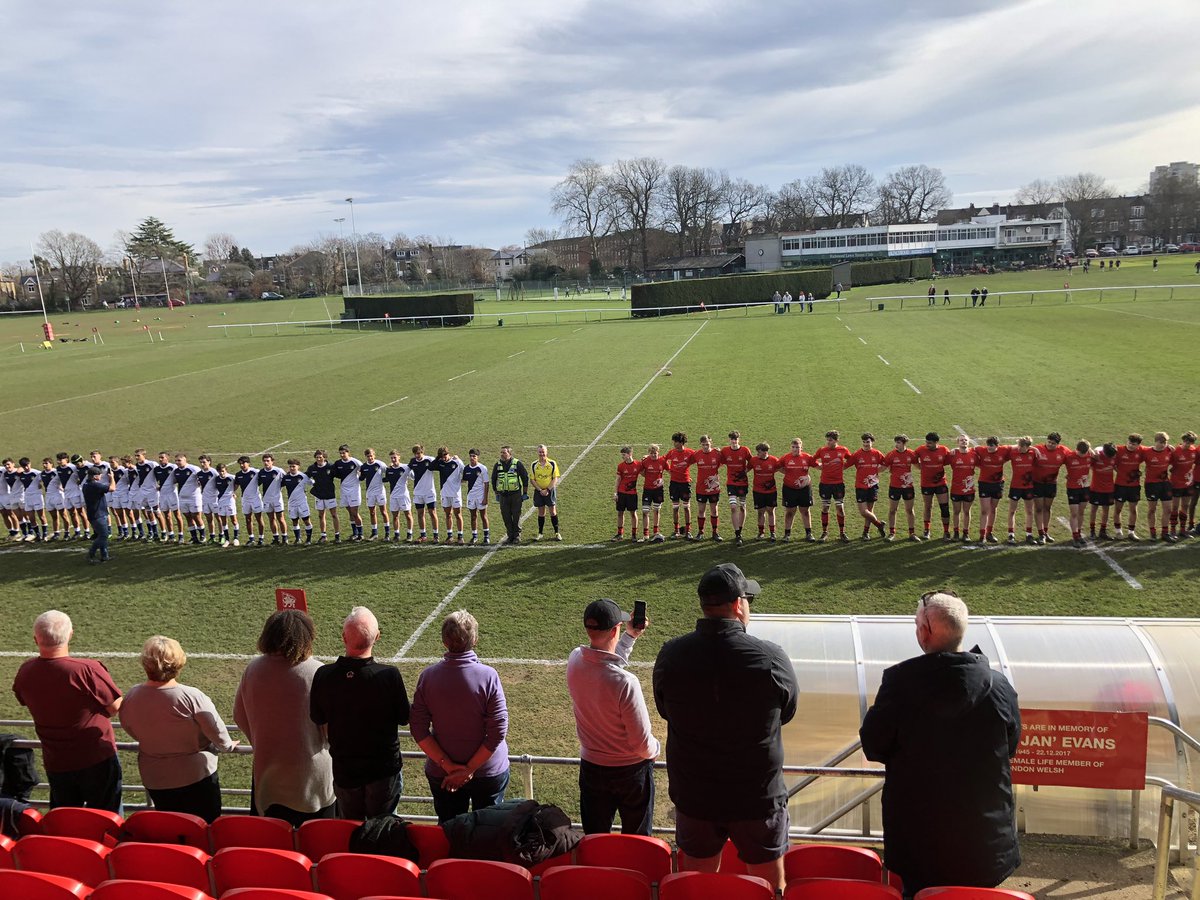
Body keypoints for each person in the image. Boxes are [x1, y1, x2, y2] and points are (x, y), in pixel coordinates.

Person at [860, 591, 1021, 898]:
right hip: (983, 841)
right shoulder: (999, 685)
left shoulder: (899, 684)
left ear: (925, 632)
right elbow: (1010, 746)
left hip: (920, 841)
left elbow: (874, 744)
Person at [654, 564, 797, 895]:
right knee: (768, 889)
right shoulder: (770, 657)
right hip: (756, 797)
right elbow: (786, 712)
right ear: (737, 604)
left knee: (699, 889)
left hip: (695, 795)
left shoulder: (671, 655)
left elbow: (665, 710)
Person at [119, 636, 239, 822]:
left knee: (172, 828)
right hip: (196, 777)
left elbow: (130, 727)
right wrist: (228, 745)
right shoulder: (191, 696)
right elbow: (218, 734)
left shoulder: (132, 695)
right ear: (178, 663)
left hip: (156, 778)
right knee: (204, 828)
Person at [12, 610, 123, 811]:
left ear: (35, 639)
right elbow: (115, 707)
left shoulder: (25, 671)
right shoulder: (87, 669)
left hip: (56, 761)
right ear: (70, 635)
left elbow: (24, 698)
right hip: (96, 757)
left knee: (64, 820)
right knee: (108, 819)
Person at [234, 610, 336, 825]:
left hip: (268, 779)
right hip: (312, 781)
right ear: (307, 637)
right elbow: (332, 730)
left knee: (275, 850)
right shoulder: (319, 672)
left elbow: (239, 715)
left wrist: (262, 742)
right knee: (316, 846)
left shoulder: (252, 669)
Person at [567, 598, 658, 835]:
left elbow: (604, 661)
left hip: (592, 769)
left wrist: (630, 637)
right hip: (631, 773)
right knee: (637, 844)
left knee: (595, 839)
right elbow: (642, 744)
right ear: (615, 629)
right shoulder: (626, 683)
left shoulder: (575, 659)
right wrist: (655, 750)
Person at [310, 607, 410, 820]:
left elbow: (318, 718)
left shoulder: (324, 675)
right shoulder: (389, 676)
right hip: (383, 771)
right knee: (382, 830)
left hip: (346, 770)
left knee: (351, 829)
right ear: (377, 637)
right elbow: (404, 717)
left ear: (343, 637)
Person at [410, 611, 510, 823]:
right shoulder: (489, 676)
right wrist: (468, 770)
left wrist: (448, 767)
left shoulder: (428, 677)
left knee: (450, 834)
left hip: (443, 775)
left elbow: (418, 729)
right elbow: (497, 732)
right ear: (475, 640)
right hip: (488, 773)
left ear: (444, 642)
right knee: (488, 834)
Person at [1031, 433, 1069, 544]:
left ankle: (1046, 532)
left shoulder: (1063, 451)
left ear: (1058, 444)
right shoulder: (1038, 449)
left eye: (1053, 443)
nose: (1050, 445)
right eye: (1049, 442)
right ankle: (1041, 534)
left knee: (1047, 507)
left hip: (1051, 484)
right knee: (1038, 508)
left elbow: (1073, 458)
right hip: (1037, 483)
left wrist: (1070, 473)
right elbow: (1025, 450)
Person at [814, 430, 852, 542]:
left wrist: (843, 467)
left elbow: (851, 459)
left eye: (830, 440)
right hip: (825, 484)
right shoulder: (822, 450)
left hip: (838, 484)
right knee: (825, 507)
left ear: (836, 440)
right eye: (827, 440)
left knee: (840, 508)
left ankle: (842, 533)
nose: (828, 442)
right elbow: (812, 460)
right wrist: (819, 466)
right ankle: (824, 532)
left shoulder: (843, 450)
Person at [849, 433, 887, 540]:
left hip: (873, 486)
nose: (866, 444)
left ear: (872, 442)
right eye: (864, 442)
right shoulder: (857, 454)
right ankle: (879, 524)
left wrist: (876, 471)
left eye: (868, 442)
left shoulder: (877, 454)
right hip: (860, 486)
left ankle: (866, 533)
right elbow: (846, 465)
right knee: (863, 512)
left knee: (870, 510)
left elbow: (885, 464)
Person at [915, 432, 952, 541]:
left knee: (944, 507)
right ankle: (927, 530)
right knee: (928, 506)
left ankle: (946, 532)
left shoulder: (944, 450)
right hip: (926, 484)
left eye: (930, 443)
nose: (927, 444)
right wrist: (921, 467)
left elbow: (948, 461)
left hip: (941, 483)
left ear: (936, 442)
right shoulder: (921, 449)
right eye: (926, 442)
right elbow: (913, 458)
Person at [882, 435, 919, 541]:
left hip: (908, 486)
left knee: (909, 510)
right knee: (893, 510)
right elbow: (883, 468)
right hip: (894, 486)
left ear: (904, 443)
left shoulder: (911, 454)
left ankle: (912, 533)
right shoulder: (891, 454)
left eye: (898, 443)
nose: (896, 445)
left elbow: (918, 466)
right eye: (896, 442)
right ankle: (891, 533)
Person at [779, 438, 816, 542]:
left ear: (801, 448)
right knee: (790, 512)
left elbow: (818, 466)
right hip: (789, 489)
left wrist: (807, 478)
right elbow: (776, 467)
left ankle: (809, 534)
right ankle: (787, 534)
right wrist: (787, 473)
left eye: (797, 447)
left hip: (804, 489)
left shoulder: (807, 457)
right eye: (793, 447)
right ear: (791, 448)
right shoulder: (786, 458)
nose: (795, 449)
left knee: (805, 511)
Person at [719, 431, 753, 544]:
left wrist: (746, 471)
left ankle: (741, 529)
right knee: (733, 507)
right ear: (729, 440)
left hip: (743, 483)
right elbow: (720, 461)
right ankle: (737, 533)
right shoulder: (725, 451)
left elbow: (752, 462)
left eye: (736, 439)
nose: (734, 441)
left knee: (742, 507)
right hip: (731, 483)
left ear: (739, 439)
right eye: (732, 439)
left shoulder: (745, 450)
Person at [491, 445, 529, 544]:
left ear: (509, 453)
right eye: (501, 452)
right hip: (503, 495)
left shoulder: (517, 463)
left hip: (515, 495)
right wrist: (496, 493)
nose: (502, 454)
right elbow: (493, 479)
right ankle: (510, 535)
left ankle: (517, 536)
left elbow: (525, 477)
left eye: (504, 452)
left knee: (516, 516)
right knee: (506, 516)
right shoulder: (497, 465)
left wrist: (524, 493)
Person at [975, 437, 1009, 543]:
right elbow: (972, 449)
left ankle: (989, 532)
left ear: (997, 446)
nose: (989, 447)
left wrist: (1033, 448)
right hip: (984, 484)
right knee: (985, 510)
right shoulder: (981, 450)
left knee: (993, 509)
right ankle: (982, 535)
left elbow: (1016, 447)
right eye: (988, 445)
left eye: (992, 445)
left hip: (998, 484)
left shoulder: (1003, 450)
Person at [664, 432, 696, 539]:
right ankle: (676, 530)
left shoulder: (690, 452)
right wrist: (669, 471)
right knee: (675, 508)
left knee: (686, 507)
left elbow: (700, 457)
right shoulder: (672, 453)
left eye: (676, 442)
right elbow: (663, 460)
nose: (674, 443)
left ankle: (688, 531)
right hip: (674, 484)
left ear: (681, 442)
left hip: (685, 483)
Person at [1006, 437, 1038, 544]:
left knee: (1029, 511)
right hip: (1015, 486)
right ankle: (1011, 534)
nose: (1019, 448)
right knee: (1012, 511)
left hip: (1029, 487)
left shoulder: (1033, 453)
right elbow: (1007, 448)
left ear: (1027, 447)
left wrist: (1034, 449)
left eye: (1021, 446)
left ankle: (1029, 534)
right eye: (1018, 445)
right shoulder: (1013, 453)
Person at [1142, 432, 1174, 542]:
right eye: (1161, 442)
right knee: (1152, 509)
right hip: (1151, 485)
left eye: (1165, 442)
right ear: (1155, 442)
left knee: (1168, 509)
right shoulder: (1147, 452)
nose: (1163, 444)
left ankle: (1165, 533)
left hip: (1165, 484)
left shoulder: (1169, 450)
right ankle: (1152, 532)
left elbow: (1174, 462)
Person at [1113, 433, 1145, 540]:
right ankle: (1118, 531)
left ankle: (1131, 532)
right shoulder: (1119, 450)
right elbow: (1113, 463)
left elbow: (1153, 449)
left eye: (1134, 444)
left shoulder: (1142, 451)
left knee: (1133, 509)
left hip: (1134, 486)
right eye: (1130, 443)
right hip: (1120, 485)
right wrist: (1121, 472)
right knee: (1118, 509)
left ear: (1139, 445)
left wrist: (1168, 446)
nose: (1131, 446)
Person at [82, 465, 115, 563]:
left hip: (94, 514)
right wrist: (112, 478)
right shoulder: (95, 485)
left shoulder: (86, 484)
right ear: (94, 476)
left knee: (102, 535)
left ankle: (105, 556)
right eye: (99, 475)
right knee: (103, 535)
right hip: (98, 515)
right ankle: (90, 554)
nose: (100, 476)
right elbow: (112, 488)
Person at [1064, 440, 1094, 547]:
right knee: (1074, 513)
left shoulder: (1090, 455)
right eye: (1081, 453)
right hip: (1073, 488)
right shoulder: (1069, 456)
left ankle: (1079, 533)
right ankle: (1075, 536)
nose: (1083, 455)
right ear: (1076, 449)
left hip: (1085, 487)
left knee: (1081, 511)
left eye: (1085, 453)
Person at [948, 435, 977, 542]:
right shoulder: (953, 454)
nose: (963, 441)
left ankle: (966, 533)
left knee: (967, 511)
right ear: (957, 442)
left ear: (968, 442)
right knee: (956, 511)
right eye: (961, 440)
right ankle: (956, 533)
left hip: (969, 489)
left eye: (965, 440)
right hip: (956, 488)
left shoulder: (974, 454)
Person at [693, 435, 722, 540]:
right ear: (700, 444)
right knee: (701, 510)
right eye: (703, 445)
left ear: (711, 443)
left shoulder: (717, 454)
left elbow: (727, 461)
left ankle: (715, 532)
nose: (705, 447)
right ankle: (700, 532)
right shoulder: (696, 454)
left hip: (714, 488)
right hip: (701, 487)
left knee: (714, 510)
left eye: (707, 444)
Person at [333, 445, 365, 541]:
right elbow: (335, 473)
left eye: (344, 453)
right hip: (344, 489)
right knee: (350, 512)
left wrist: (360, 477)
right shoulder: (338, 463)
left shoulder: (355, 462)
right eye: (340, 453)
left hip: (354, 490)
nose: (342, 455)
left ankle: (361, 534)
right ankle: (354, 533)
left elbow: (364, 468)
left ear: (348, 452)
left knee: (354, 512)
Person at [307, 450, 340, 543]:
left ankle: (337, 536)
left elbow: (339, 475)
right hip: (319, 495)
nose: (318, 459)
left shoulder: (330, 467)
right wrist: (311, 483)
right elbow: (305, 477)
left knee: (334, 515)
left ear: (324, 457)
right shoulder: (312, 468)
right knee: (321, 515)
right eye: (317, 457)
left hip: (330, 494)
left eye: (320, 457)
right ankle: (323, 536)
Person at [530, 444, 562, 541]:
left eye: (543, 451)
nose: (541, 453)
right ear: (537, 453)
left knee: (553, 511)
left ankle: (557, 532)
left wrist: (547, 490)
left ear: (546, 452)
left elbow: (555, 478)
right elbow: (532, 479)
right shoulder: (534, 464)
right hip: (539, 491)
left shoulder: (552, 463)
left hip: (550, 491)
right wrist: (540, 490)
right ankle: (540, 533)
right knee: (541, 512)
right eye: (540, 452)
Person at [1169, 432, 1197, 539]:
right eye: (1185, 441)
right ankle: (1172, 530)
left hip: (1188, 483)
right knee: (1175, 506)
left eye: (1189, 442)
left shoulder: (1194, 451)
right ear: (1183, 440)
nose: (1187, 444)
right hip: (1176, 483)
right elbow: (1168, 463)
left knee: (1185, 506)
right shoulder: (1176, 451)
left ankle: (1182, 530)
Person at [436, 447, 467, 544]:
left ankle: (460, 536)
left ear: (448, 454)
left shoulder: (457, 462)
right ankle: (450, 536)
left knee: (458, 514)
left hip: (455, 494)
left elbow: (465, 472)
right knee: (448, 514)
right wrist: (438, 458)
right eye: (442, 456)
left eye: (445, 455)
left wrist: (463, 480)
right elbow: (430, 466)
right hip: (445, 493)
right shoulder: (440, 463)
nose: (444, 458)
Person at [409, 444, 440, 543]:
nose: (417, 456)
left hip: (429, 492)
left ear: (422, 452)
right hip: (418, 492)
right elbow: (406, 469)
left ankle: (436, 535)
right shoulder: (413, 461)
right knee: (420, 513)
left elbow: (442, 462)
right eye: (415, 454)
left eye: (418, 453)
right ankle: (423, 535)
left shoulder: (429, 460)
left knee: (432, 513)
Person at [750, 442, 780, 541]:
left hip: (771, 491)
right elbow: (745, 469)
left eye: (759, 452)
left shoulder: (774, 460)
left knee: (771, 511)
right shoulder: (753, 460)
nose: (757, 454)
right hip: (758, 491)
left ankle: (772, 533)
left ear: (765, 452)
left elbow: (783, 469)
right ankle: (761, 532)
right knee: (760, 512)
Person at [639, 444, 668, 543]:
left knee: (656, 510)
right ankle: (646, 534)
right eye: (651, 453)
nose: (653, 455)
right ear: (648, 453)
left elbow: (670, 470)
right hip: (647, 490)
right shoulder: (645, 461)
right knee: (645, 511)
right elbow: (642, 472)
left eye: (655, 453)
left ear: (658, 452)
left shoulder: (663, 461)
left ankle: (656, 532)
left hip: (658, 490)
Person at [1089, 442, 1118, 540]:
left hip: (1109, 488)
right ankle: (1092, 531)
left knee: (1106, 510)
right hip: (1096, 487)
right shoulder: (1096, 456)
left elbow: (1117, 468)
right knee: (1094, 509)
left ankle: (1103, 531)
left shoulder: (1114, 456)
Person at [383, 450, 414, 542]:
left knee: (408, 515)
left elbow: (414, 477)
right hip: (393, 496)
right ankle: (397, 534)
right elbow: (386, 479)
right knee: (395, 516)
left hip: (404, 496)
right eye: (391, 458)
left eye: (394, 457)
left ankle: (409, 534)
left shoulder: (406, 468)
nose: (393, 459)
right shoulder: (389, 469)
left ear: (399, 457)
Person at [281, 460, 314, 544]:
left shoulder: (303, 476)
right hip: (291, 504)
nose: (292, 468)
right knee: (294, 521)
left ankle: (308, 540)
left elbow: (312, 483)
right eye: (290, 466)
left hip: (302, 503)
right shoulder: (286, 477)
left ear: (298, 466)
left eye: (294, 466)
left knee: (306, 520)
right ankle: (297, 539)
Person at [257, 453, 287, 545]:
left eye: (268, 461)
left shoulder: (279, 471)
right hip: (266, 499)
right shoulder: (261, 472)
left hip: (277, 499)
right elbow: (257, 484)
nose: (266, 463)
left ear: (272, 461)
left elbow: (286, 480)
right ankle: (275, 538)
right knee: (271, 518)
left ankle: (284, 538)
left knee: (280, 518)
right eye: (264, 461)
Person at [613, 446, 641, 543]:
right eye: (622, 455)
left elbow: (645, 474)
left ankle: (634, 534)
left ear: (630, 454)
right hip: (621, 493)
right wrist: (615, 493)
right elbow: (618, 480)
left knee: (633, 513)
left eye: (624, 455)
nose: (622, 457)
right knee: (620, 513)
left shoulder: (638, 464)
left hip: (632, 494)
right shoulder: (621, 466)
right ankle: (620, 534)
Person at [234, 455, 264, 546]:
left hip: (255, 499)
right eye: (240, 464)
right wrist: (233, 492)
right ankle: (251, 538)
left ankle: (261, 538)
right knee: (248, 519)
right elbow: (236, 485)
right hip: (245, 499)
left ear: (248, 463)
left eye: (244, 463)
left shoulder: (256, 472)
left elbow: (263, 480)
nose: (242, 465)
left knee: (259, 518)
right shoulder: (238, 475)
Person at [462, 449, 490, 544]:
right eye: (471, 456)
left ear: (478, 457)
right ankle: (474, 536)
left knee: (483, 516)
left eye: (474, 456)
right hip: (471, 496)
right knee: (473, 516)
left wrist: (485, 497)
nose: (472, 458)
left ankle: (486, 536)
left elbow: (486, 483)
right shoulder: (466, 468)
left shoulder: (482, 468)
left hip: (480, 496)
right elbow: (463, 480)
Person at [359, 448, 388, 540]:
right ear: (366, 457)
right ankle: (374, 533)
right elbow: (361, 478)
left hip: (380, 492)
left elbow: (388, 473)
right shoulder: (364, 467)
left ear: (374, 455)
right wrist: (357, 474)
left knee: (383, 512)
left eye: (371, 456)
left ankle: (387, 533)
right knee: (372, 512)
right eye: (368, 456)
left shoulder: (380, 464)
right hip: (370, 493)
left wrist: (384, 480)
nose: (370, 457)